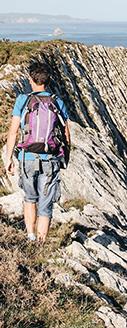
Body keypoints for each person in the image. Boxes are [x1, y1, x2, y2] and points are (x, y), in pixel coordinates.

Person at [5, 61, 71, 243]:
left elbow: (13, 131)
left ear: (31, 80)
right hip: (50, 159)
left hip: (27, 158)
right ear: (47, 81)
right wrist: (65, 156)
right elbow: (66, 131)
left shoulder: (23, 100)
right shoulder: (57, 101)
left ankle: (31, 237)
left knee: (29, 198)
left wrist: (8, 158)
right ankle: (41, 243)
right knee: (46, 204)